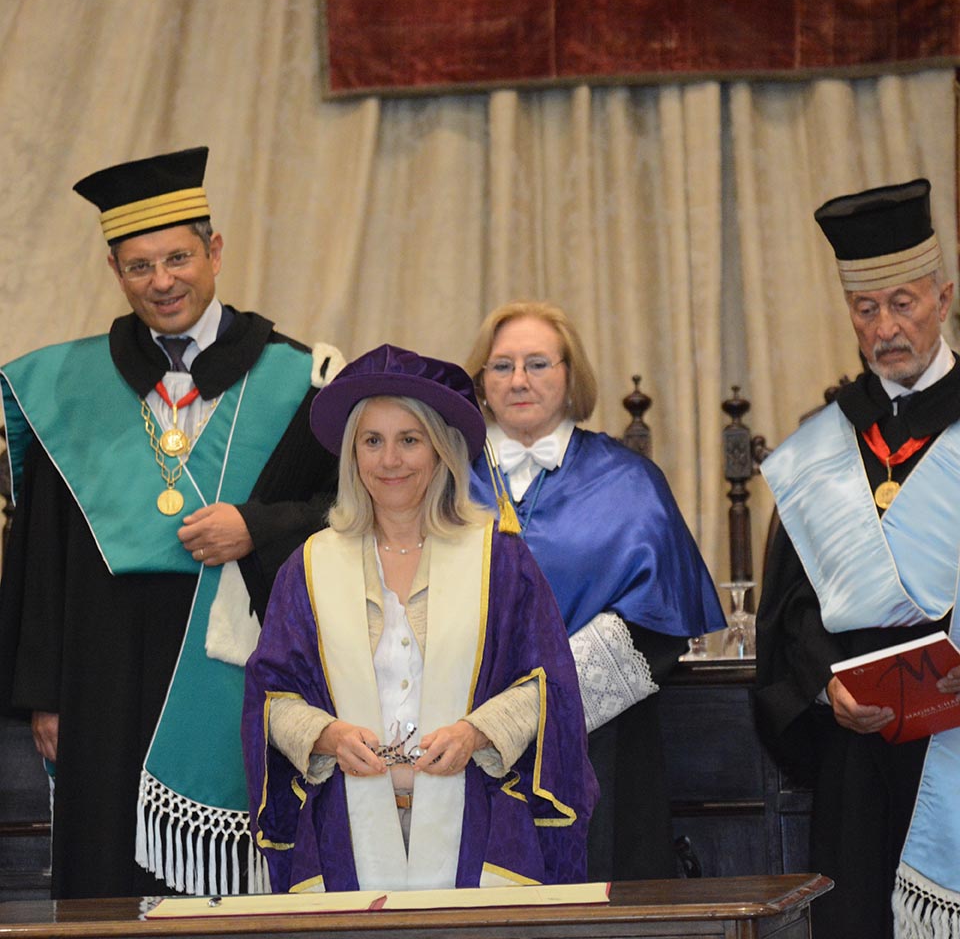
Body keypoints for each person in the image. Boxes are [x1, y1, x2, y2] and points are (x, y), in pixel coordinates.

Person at [0, 147, 340, 899]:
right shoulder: (71, 385)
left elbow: (346, 517)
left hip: (235, 663)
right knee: (105, 871)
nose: (162, 282)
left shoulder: (300, 379)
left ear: (214, 251)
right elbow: (43, 548)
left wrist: (257, 526)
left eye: (178, 257)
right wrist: (46, 693)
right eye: (138, 267)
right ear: (115, 273)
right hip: (101, 666)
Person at [243, 344, 597, 892]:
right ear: (352, 454)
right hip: (347, 834)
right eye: (372, 441)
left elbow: (547, 685)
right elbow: (272, 699)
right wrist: (328, 735)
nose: (390, 461)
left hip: (477, 830)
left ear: (440, 450)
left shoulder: (498, 561)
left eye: (409, 440)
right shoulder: (309, 566)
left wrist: (477, 731)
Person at [755, 178, 960, 939]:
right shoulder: (828, 443)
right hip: (859, 749)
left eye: (904, 302)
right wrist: (823, 689)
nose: (887, 327)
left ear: (942, 297)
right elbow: (791, 609)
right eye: (866, 309)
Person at [464, 302, 726, 882]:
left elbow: (656, 628)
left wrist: (539, 704)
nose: (520, 380)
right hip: (463, 748)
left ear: (570, 374)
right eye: (501, 366)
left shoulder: (628, 481)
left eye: (538, 363)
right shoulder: (445, 481)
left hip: (600, 750)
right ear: (480, 381)